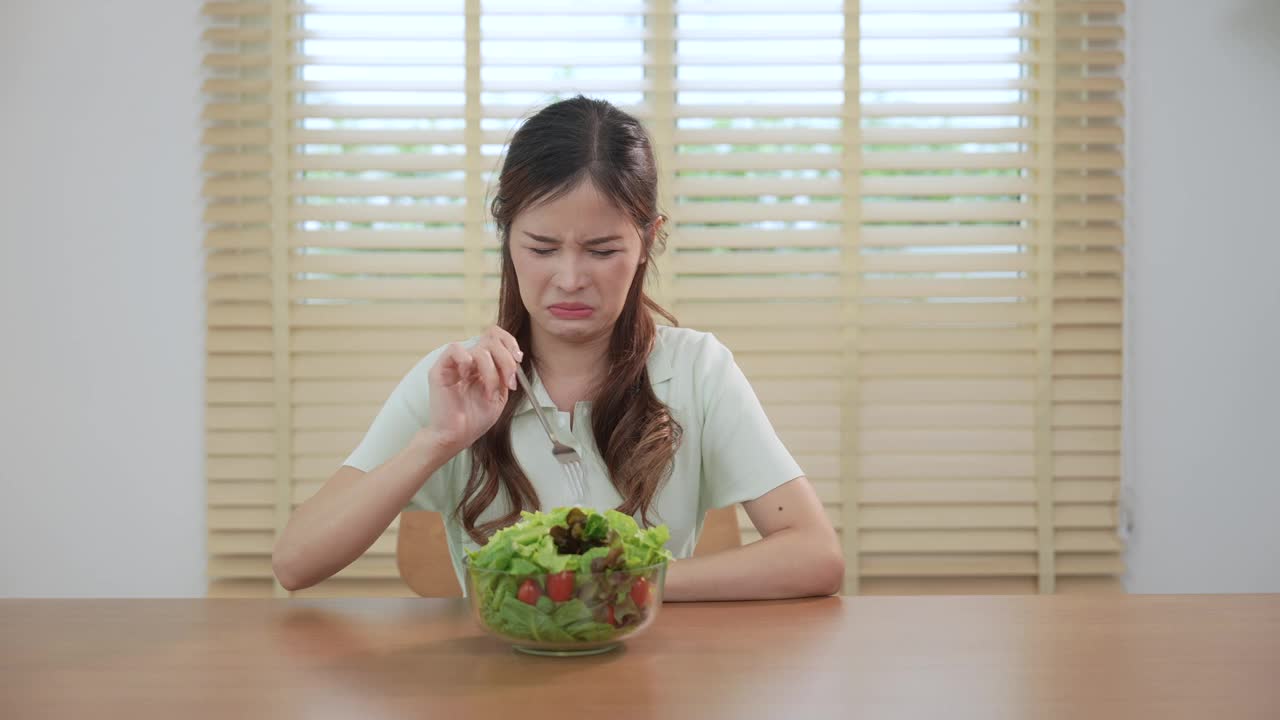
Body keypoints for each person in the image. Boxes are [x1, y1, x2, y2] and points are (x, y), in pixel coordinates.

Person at [271, 95, 844, 601]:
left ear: (647, 240)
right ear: (507, 237)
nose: (570, 279)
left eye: (600, 251)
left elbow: (815, 555)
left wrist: (630, 583)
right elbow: (295, 563)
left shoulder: (697, 369)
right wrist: (438, 442)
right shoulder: (457, 380)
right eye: (543, 248)